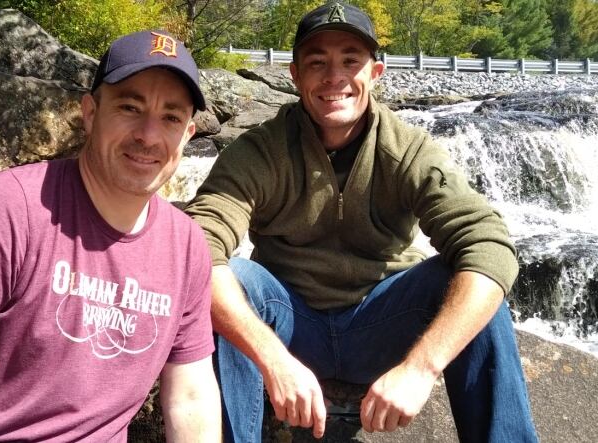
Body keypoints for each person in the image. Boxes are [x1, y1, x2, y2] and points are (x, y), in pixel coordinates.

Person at [185, 2, 537, 442]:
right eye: (317, 62)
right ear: (295, 75)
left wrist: (420, 368)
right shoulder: (259, 152)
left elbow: (489, 246)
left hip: (383, 323)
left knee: (469, 278)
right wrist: (273, 360)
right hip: (291, 324)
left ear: (376, 72)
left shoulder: (407, 149)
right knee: (228, 278)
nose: (335, 76)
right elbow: (198, 244)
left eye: (351, 60)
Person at [0, 30, 221, 442]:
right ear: (90, 112)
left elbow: (191, 397)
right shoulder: (10, 208)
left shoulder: (186, 247)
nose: (148, 135)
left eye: (171, 117)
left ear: (188, 134)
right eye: (130, 107)